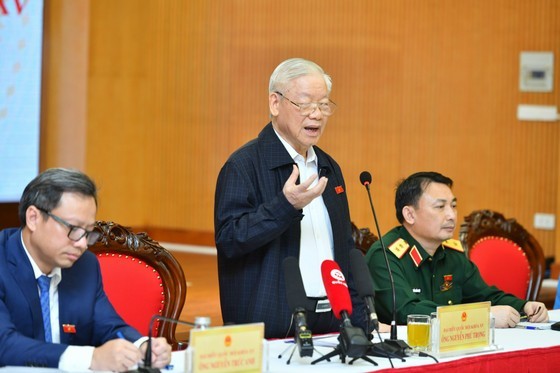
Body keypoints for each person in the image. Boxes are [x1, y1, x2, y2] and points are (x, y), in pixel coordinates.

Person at [214, 58, 366, 338]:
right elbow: (229, 241)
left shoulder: (329, 167)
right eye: (305, 104)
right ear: (275, 103)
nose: (317, 115)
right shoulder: (243, 165)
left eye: (323, 105)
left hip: (333, 322)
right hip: (274, 326)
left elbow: (343, 250)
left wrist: (361, 323)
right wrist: (285, 206)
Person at [0, 168, 171, 371]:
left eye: (88, 233)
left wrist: (142, 346)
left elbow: (111, 327)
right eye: (73, 229)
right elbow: (4, 344)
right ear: (33, 218)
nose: (82, 244)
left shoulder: (84, 266)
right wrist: (90, 358)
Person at [365, 171, 549, 328]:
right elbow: (407, 311)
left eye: (453, 206)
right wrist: (481, 318)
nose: (452, 215)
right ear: (410, 214)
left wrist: (524, 306)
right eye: (440, 207)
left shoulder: (451, 254)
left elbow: (485, 295)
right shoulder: (384, 256)